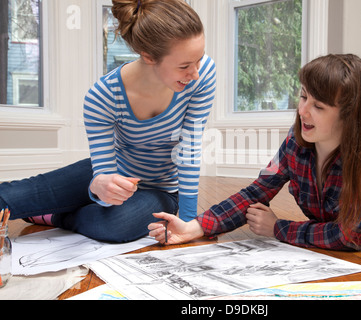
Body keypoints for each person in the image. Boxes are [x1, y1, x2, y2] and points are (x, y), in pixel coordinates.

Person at [149, 54, 361, 251]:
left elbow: (350, 236)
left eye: (318, 106)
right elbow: (257, 192)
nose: (303, 111)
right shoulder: (296, 143)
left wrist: (278, 228)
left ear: (351, 115)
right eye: (304, 96)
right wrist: (195, 227)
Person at [0, 0, 216, 243]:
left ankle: (55, 216)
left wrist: (188, 222)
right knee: (9, 197)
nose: (196, 72)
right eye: (185, 66)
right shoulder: (102, 96)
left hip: (162, 189)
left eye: (199, 58)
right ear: (148, 56)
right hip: (112, 173)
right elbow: (103, 172)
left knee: (117, 225)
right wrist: (99, 186)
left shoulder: (203, 74)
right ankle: (58, 205)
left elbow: (189, 148)